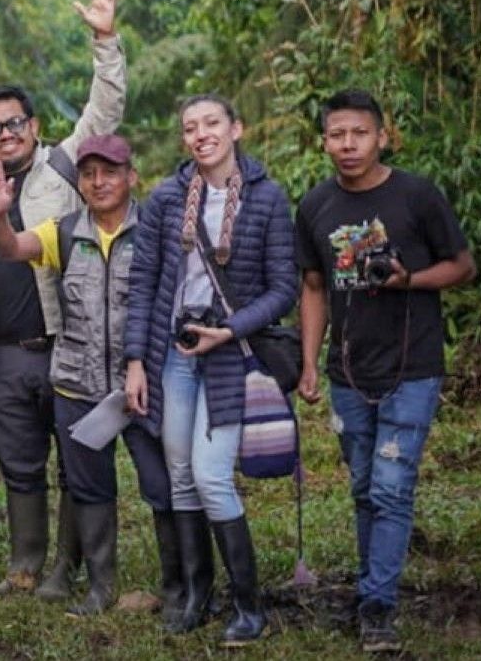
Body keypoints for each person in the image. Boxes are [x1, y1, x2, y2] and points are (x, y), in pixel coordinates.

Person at [295, 89, 475, 653]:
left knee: (391, 488)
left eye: (360, 133)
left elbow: (463, 267)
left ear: (382, 136)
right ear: (324, 142)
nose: (348, 145)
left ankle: (377, 607)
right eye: (337, 135)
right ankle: (372, 588)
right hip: (348, 372)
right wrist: (308, 362)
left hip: (412, 367)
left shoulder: (417, 195)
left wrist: (408, 280)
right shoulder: (315, 205)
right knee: (364, 487)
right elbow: (314, 287)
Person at [0, 0, 126, 598]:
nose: (5, 135)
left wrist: (105, 40)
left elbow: (105, 108)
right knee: (19, 461)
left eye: (14, 124)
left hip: (64, 342)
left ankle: (67, 567)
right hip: (5, 351)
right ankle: (25, 564)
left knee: (75, 456)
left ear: (33, 126)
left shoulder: (65, 164)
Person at [122, 94, 297, 647]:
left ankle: (248, 606)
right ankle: (198, 594)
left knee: (210, 474)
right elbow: (144, 282)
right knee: (179, 471)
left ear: (236, 129)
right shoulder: (166, 198)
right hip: (174, 352)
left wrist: (232, 328)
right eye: (190, 128)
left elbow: (284, 288)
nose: (201, 134)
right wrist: (135, 360)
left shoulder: (266, 198)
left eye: (212, 123)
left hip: (229, 353)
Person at [0, 134, 174, 617]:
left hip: (144, 384)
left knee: (162, 483)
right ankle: (101, 586)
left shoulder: (156, 230)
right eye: (88, 174)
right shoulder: (64, 232)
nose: (98, 181)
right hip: (77, 385)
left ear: (131, 176)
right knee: (89, 485)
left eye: (110, 172)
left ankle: (179, 586)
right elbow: (12, 248)